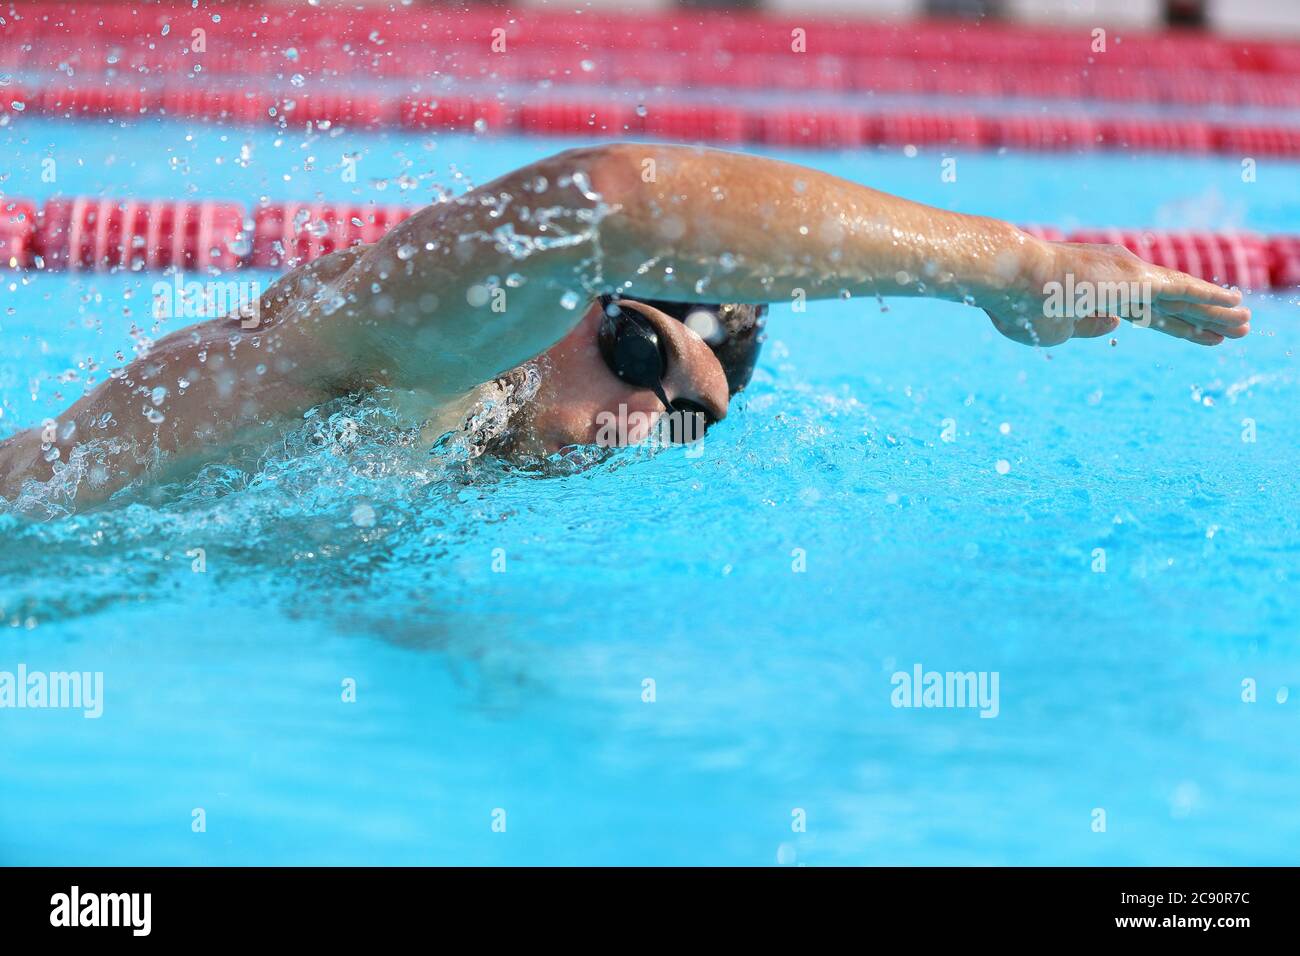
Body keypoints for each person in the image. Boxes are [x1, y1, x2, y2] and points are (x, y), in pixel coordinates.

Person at [0, 143, 1250, 511]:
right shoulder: (413, 354)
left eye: (688, 414)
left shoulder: (423, 455)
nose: (649, 415)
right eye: (642, 353)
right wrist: (1011, 267)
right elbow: (610, 202)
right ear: (569, 312)